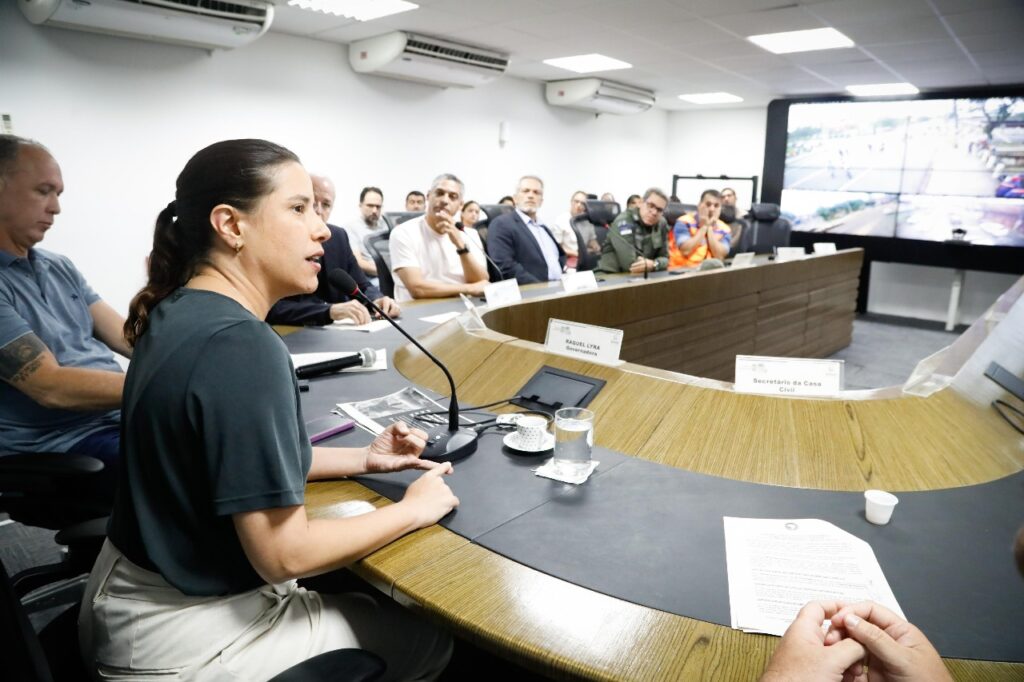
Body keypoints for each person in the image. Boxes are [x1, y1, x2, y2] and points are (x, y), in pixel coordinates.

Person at [79, 139, 457, 681]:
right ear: (231, 225)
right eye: (299, 208)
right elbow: (285, 556)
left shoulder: (180, 310)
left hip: (126, 606)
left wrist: (366, 460)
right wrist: (413, 509)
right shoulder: (243, 345)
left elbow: (232, 464)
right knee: (430, 640)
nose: (322, 229)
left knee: (364, 607)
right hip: (186, 640)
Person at [0, 135, 128, 485]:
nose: (55, 207)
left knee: (229, 435)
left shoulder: (58, 267)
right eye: (43, 191)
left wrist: (197, 350)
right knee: (195, 462)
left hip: (111, 420)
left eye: (58, 194)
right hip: (57, 443)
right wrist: (166, 384)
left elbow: (127, 336)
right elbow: (51, 387)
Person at [266, 224, 400, 326]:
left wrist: (377, 300)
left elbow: (362, 285)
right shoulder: (278, 240)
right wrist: (328, 311)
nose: (318, 211)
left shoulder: (338, 236)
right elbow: (273, 309)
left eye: (325, 204)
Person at [390, 173, 488, 302]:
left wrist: (461, 246)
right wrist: (468, 289)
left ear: (460, 205)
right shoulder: (403, 232)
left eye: (453, 197)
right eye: (439, 193)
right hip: (419, 309)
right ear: (428, 196)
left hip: (461, 306)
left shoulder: (469, 234)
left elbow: (481, 282)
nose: (445, 200)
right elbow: (417, 289)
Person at [487, 176, 565, 284]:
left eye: (536, 192)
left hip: (560, 287)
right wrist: (541, 288)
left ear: (541, 201)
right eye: (525, 191)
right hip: (532, 293)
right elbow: (505, 267)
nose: (531, 195)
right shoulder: (501, 224)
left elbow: (558, 258)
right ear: (515, 198)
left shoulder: (543, 227)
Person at [595, 187, 670, 275]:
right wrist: (653, 264)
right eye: (651, 206)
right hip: (611, 275)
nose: (654, 212)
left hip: (644, 276)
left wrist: (655, 264)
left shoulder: (661, 223)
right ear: (641, 202)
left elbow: (666, 258)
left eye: (659, 210)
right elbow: (630, 265)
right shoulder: (624, 221)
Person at [669, 189, 731, 268]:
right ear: (699, 205)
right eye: (708, 204)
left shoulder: (725, 229)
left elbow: (719, 256)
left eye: (716, 206)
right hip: (681, 270)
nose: (712, 209)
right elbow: (685, 250)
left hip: (709, 271)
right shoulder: (684, 222)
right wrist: (704, 226)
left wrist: (709, 228)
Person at [340, 185, 385, 278]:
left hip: (388, 276)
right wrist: (388, 273)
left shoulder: (386, 226)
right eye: (370, 205)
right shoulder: (350, 228)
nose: (374, 210)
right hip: (368, 278)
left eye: (378, 207)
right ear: (360, 206)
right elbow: (359, 263)